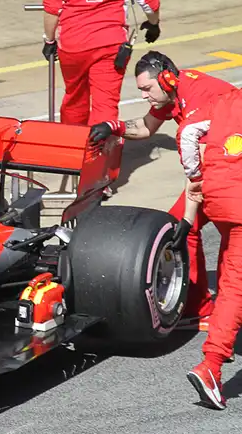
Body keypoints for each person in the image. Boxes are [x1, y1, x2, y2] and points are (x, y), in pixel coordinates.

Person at [88, 51, 237, 326]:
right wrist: (114, 127)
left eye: (147, 88)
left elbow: (198, 167)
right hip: (223, 165)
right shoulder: (174, 92)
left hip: (228, 168)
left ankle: (217, 314)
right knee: (189, 229)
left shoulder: (198, 100)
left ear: (166, 79)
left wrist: (188, 215)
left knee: (215, 233)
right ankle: (202, 308)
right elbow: (146, 127)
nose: (144, 95)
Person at [174, 88, 242, 409]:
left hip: (217, 196)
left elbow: (187, 132)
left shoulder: (225, 99)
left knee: (231, 268)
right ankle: (212, 365)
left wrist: (196, 176)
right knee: (234, 286)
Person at [42, 0, 161, 127]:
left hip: (74, 42)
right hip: (111, 42)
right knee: (106, 101)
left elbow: (52, 9)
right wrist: (154, 24)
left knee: (75, 97)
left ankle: (73, 141)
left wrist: (49, 40)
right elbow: (149, 3)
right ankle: (100, 143)